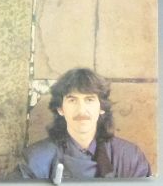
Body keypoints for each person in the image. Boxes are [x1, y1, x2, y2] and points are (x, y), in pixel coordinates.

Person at [14, 68, 151, 179]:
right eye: (72, 100)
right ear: (60, 109)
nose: (81, 110)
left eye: (89, 100)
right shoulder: (36, 159)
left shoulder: (130, 157)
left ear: (102, 107)